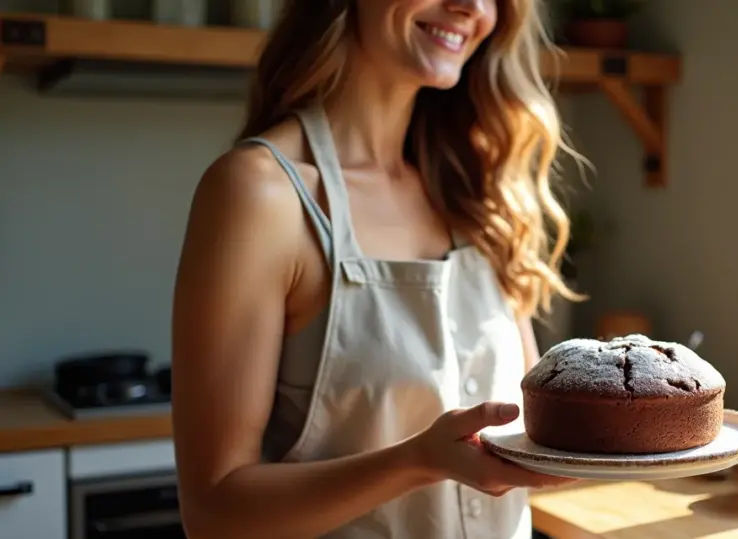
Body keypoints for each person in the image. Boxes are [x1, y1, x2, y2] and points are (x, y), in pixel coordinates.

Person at [169, 0, 586, 538]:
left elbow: (533, 426)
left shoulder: (477, 190)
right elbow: (213, 512)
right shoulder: (261, 193)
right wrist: (418, 461)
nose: (472, 8)